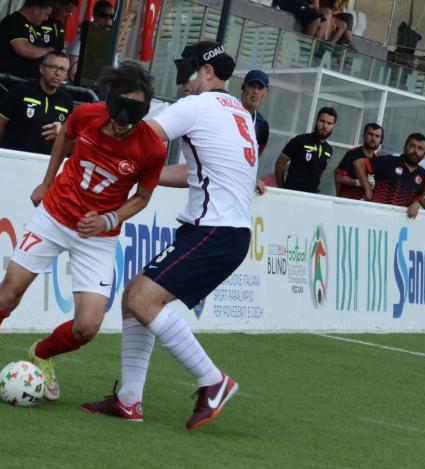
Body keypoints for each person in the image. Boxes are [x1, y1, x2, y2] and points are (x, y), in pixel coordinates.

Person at [0, 62, 167, 400]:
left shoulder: (153, 148)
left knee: (87, 327)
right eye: (116, 120)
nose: (119, 128)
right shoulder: (86, 114)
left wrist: (110, 220)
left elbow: (143, 198)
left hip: (98, 236)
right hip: (54, 216)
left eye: (128, 122)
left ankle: (42, 353)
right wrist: (47, 182)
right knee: (7, 295)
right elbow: (65, 138)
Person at [80, 41, 263, 430]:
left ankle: (213, 381)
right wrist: (146, 176)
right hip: (223, 230)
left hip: (216, 229)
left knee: (143, 299)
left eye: (188, 74)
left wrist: (79, 131)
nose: (183, 84)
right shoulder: (240, 114)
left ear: (207, 73)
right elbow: (195, 173)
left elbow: (136, 131)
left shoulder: (197, 106)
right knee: (134, 296)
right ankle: (129, 401)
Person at [0, 51, 73, 155]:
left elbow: (71, 138)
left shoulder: (67, 100)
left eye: (63, 69)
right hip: (13, 158)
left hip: (45, 163)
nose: (58, 73)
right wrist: (5, 151)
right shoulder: (21, 90)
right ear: (41, 69)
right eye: (53, 67)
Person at [0, 0, 55, 114]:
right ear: (35, 9)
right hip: (7, 86)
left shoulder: (33, 27)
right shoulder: (14, 22)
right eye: (46, 14)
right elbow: (23, 49)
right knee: (4, 127)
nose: (46, 19)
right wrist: (47, 51)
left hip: (24, 88)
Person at [353, 133, 425, 210]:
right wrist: (368, 189)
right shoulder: (389, 161)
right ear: (404, 147)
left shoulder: (422, 174)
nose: (415, 151)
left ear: (424, 154)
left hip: (400, 219)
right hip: (376, 213)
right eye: (412, 146)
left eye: (420, 148)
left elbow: (418, 195)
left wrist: (416, 203)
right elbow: (359, 164)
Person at [275, 107, 337, 193]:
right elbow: (279, 164)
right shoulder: (300, 140)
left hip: (311, 197)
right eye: (322, 121)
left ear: (333, 126)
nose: (325, 126)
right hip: (291, 194)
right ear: (316, 121)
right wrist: (282, 190)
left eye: (329, 123)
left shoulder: (329, 150)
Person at [67, 0, 115, 81]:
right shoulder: (82, 38)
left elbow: (114, 69)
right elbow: (72, 71)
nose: (107, 20)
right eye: (103, 15)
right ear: (95, 15)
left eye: (111, 16)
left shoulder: (110, 41)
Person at [335, 123, 383, 199]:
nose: (373, 138)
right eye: (370, 134)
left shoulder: (378, 160)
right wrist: (359, 182)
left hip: (364, 203)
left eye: (377, 136)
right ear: (363, 136)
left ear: (381, 140)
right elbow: (339, 177)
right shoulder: (352, 154)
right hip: (347, 201)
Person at [240, 69, 270, 155]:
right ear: (243, 87)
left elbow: (257, 153)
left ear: (266, 91)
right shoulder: (227, 110)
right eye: (252, 86)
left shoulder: (263, 125)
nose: (255, 91)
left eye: (260, 88)